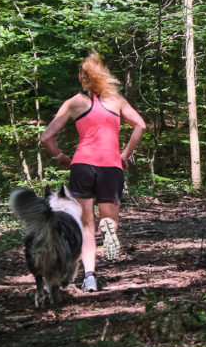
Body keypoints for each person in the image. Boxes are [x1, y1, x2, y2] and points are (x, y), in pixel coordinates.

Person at [40, 51, 146, 291]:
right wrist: (125, 155)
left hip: (83, 166)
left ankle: (89, 277)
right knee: (108, 219)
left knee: (86, 226)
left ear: (82, 77)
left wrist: (60, 156)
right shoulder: (116, 100)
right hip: (111, 166)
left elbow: (46, 137)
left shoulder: (74, 102)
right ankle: (109, 230)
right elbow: (140, 125)